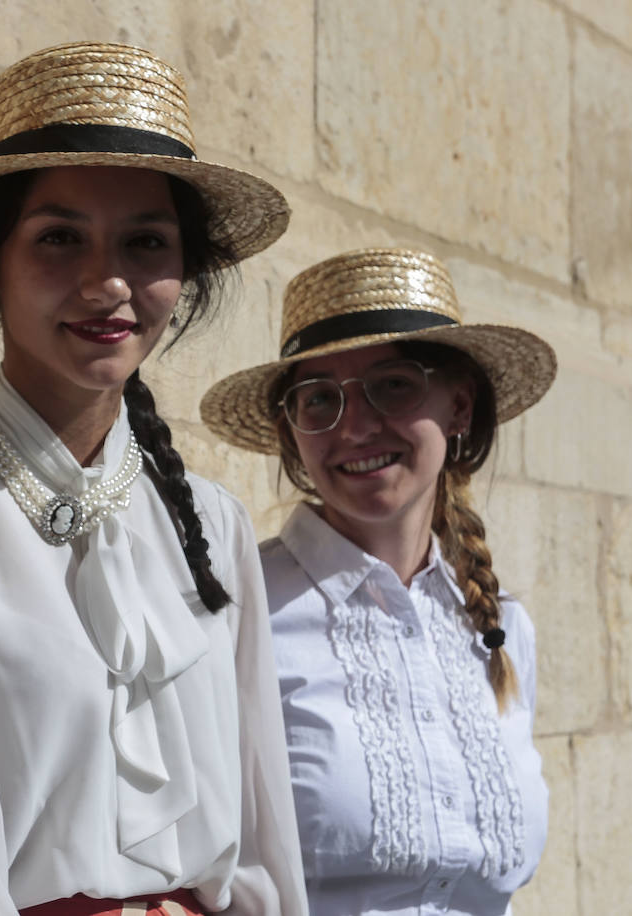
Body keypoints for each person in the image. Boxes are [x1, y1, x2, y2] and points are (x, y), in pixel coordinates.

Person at [0, 41, 307, 916]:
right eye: (59, 238)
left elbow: (267, 839)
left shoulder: (215, 524)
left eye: (145, 242)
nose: (107, 280)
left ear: (182, 275)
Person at [199, 247, 553, 914]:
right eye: (320, 399)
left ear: (459, 406)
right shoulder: (242, 608)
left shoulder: (503, 628)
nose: (356, 426)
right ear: (291, 431)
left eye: (394, 384)